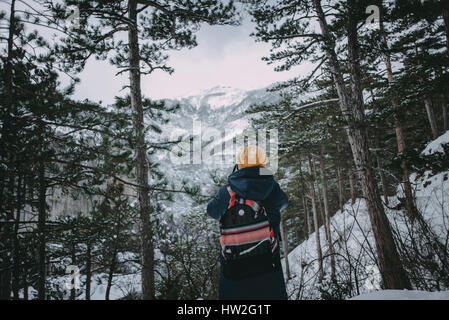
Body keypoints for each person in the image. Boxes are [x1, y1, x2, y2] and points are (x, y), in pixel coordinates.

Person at [207, 145, 289, 300]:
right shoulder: (272, 188)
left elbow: (212, 211)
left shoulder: (227, 191)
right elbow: (284, 203)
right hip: (268, 265)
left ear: (239, 166)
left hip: (234, 270)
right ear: (263, 165)